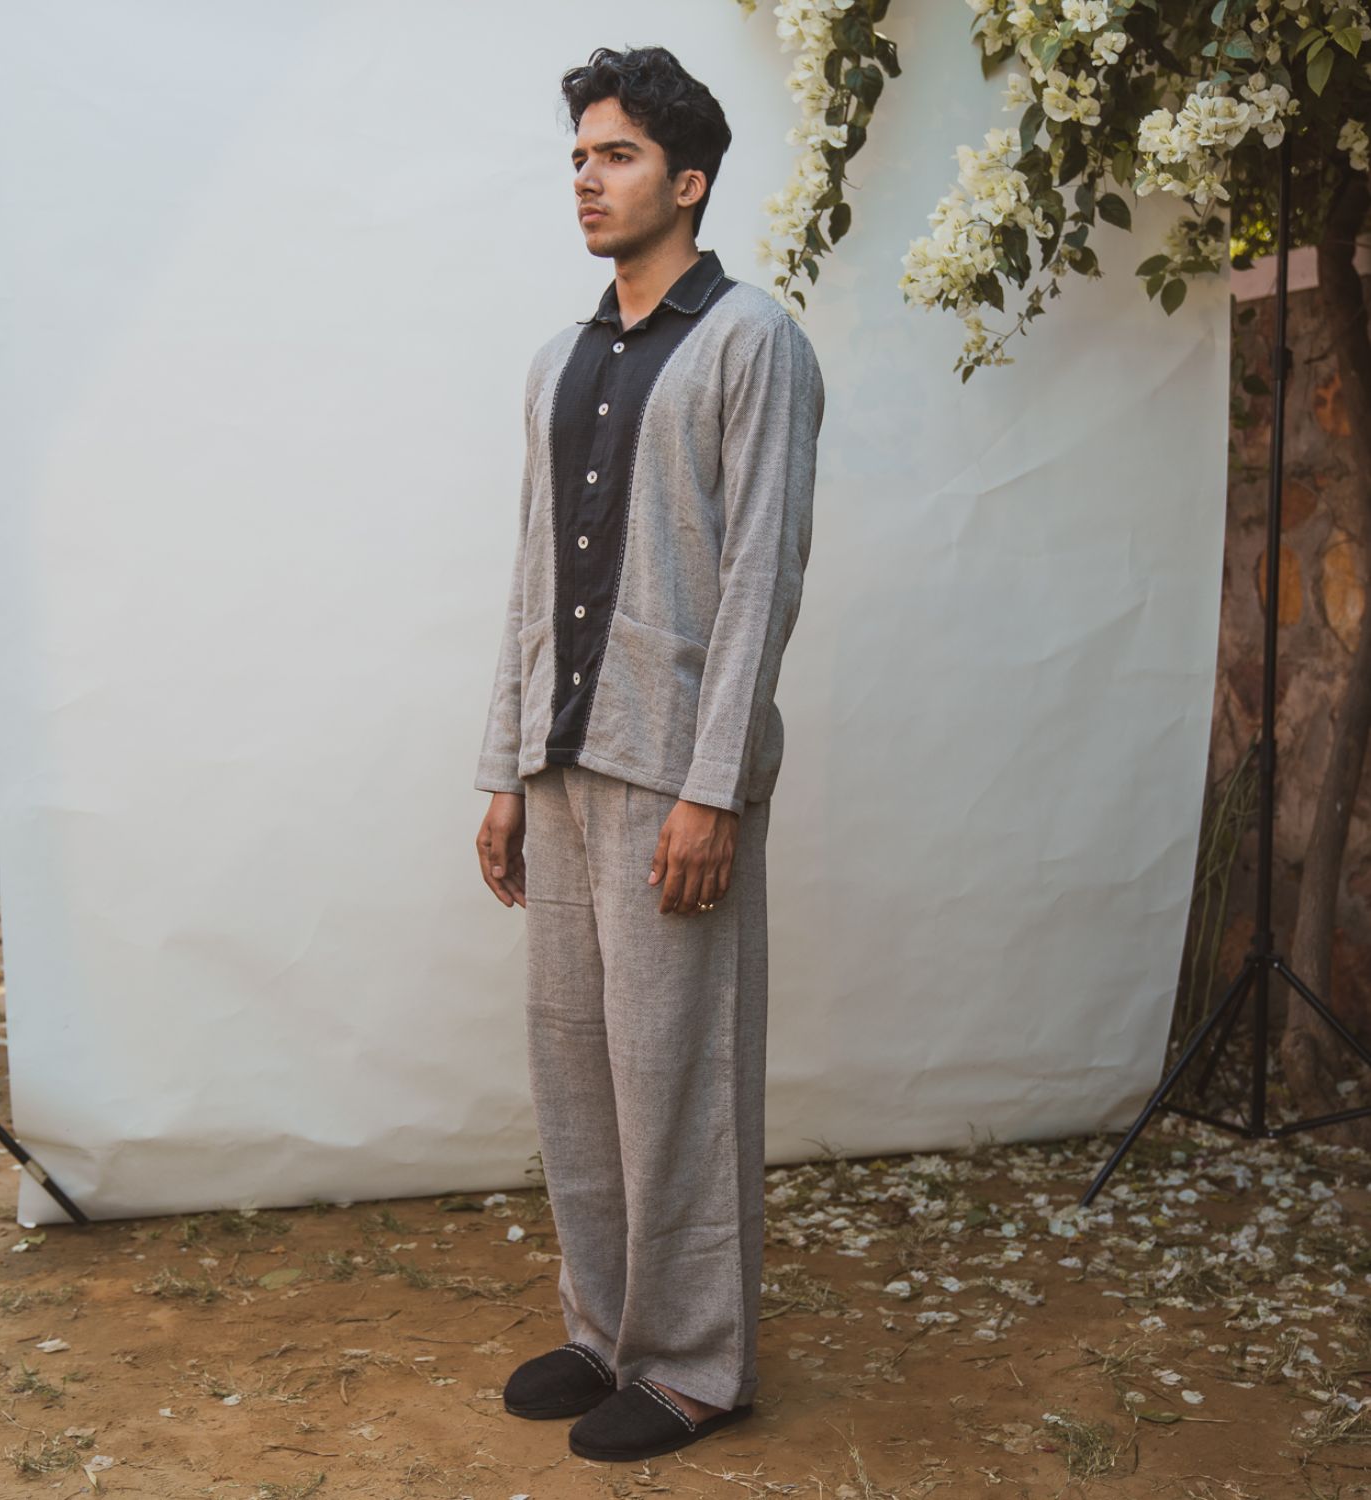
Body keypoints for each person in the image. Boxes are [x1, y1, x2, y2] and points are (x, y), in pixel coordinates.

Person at [473, 43, 825, 1465]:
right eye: (578, 157)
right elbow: (526, 575)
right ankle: (604, 1329)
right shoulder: (557, 361)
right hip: (561, 762)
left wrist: (713, 786)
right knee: (576, 1067)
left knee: (679, 1070)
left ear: (687, 182)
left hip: (675, 772)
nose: (587, 179)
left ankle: (693, 1363)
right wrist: (503, 769)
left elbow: (761, 577)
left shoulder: (753, 341)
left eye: (615, 155)